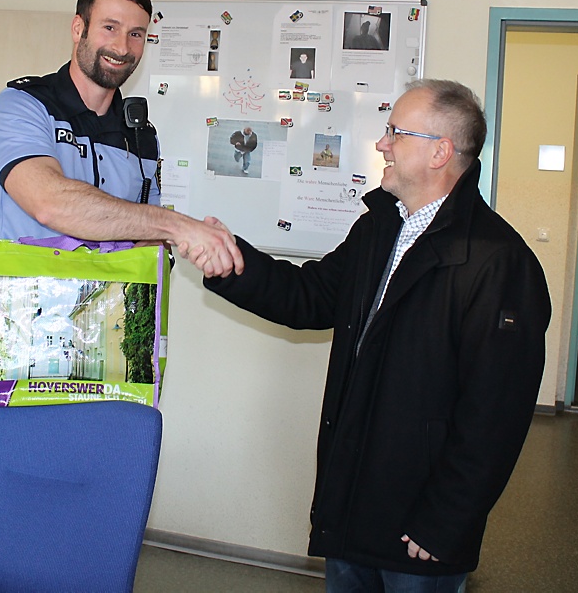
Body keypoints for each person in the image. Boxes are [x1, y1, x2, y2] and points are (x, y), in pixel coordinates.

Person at [200, 79, 549, 592]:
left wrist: (447, 521)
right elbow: (310, 295)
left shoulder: (498, 262)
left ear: (440, 152)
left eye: (394, 132)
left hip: (421, 529)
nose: (382, 144)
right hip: (354, 509)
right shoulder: (380, 229)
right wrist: (229, 259)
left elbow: (496, 415)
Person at [0, 0, 243, 277]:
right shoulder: (23, 105)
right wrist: (178, 226)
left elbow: (149, 237)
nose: (122, 47)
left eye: (136, 34)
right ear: (78, 28)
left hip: (110, 318)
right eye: (110, 28)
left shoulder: (141, 133)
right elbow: (50, 203)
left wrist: (161, 245)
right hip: (20, 312)